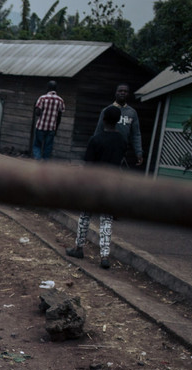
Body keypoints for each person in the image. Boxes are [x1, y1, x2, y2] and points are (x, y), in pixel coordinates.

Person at [66, 106, 129, 269]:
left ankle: (78, 248)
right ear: (117, 121)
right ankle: (104, 257)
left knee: (85, 216)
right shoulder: (122, 140)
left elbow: (89, 166)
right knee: (106, 220)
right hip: (112, 183)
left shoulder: (96, 139)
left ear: (103, 120)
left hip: (94, 184)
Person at [97, 83, 143, 168]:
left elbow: (136, 134)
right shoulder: (107, 110)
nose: (122, 93)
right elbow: (99, 130)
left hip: (122, 150)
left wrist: (139, 152)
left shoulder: (132, 112)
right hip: (106, 148)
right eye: (120, 91)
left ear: (128, 94)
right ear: (116, 93)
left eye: (125, 91)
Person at [33, 80, 65, 160]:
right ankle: (44, 164)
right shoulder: (60, 100)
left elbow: (37, 113)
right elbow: (59, 117)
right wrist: (56, 128)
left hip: (41, 126)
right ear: (56, 89)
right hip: (51, 128)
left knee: (37, 145)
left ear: (48, 88)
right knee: (48, 147)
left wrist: (37, 108)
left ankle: (38, 160)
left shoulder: (42, 98)